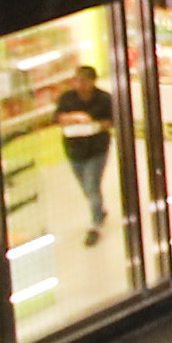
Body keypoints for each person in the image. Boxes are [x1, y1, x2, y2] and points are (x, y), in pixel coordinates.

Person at [51, 58, 115, 242]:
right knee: (85, 186)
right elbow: (57, 117)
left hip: (97, 149)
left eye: (83, 80)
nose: (79, 84)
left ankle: (95, 223)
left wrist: (95, 126)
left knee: (92, 185)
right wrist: (73, 118)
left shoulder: (104, 99)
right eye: (76, 80)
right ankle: (99, 210)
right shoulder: (67, 98)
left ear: (92, 81)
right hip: (74, 149)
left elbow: (112, 120)